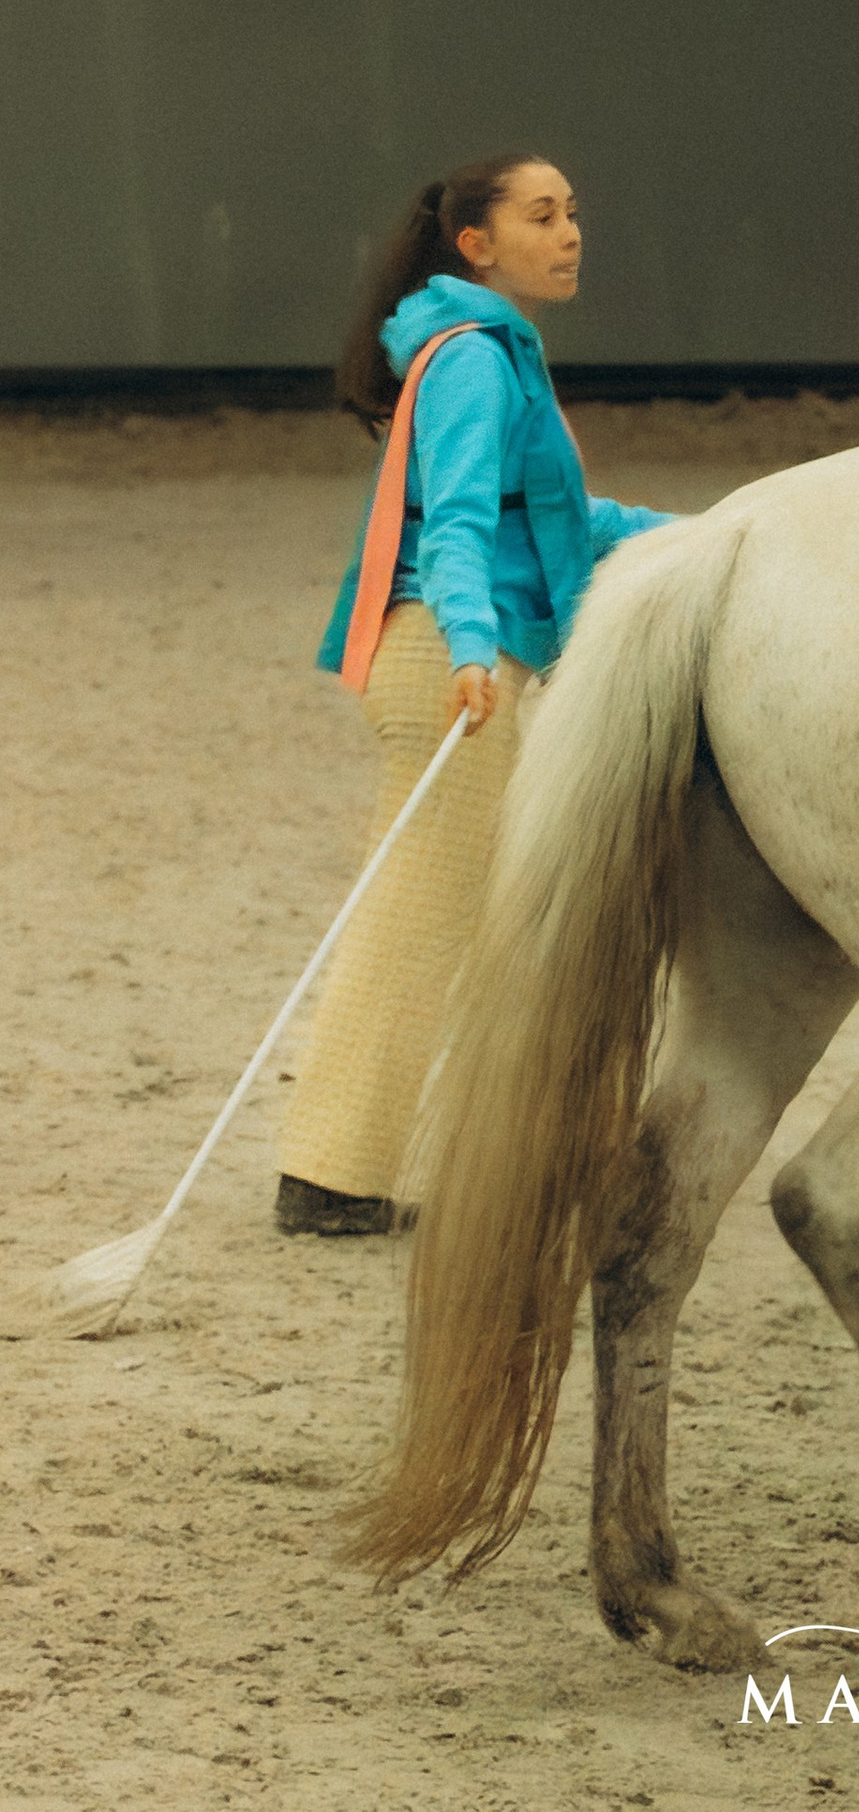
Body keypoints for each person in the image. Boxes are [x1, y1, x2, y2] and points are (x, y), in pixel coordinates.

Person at [276, 153, 672, 1236]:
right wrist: (467, 644)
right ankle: (334, 1183)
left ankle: (337, 1172)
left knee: (433, 917)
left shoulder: (490, 355)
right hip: (450, 667)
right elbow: (452, 523)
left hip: (456, 658)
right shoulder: (474, 365)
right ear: (477, 244)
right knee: (421, 925)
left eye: (573, 212)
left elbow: (554, 521)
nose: (570, 232)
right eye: (542, 216)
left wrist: (706, 534)